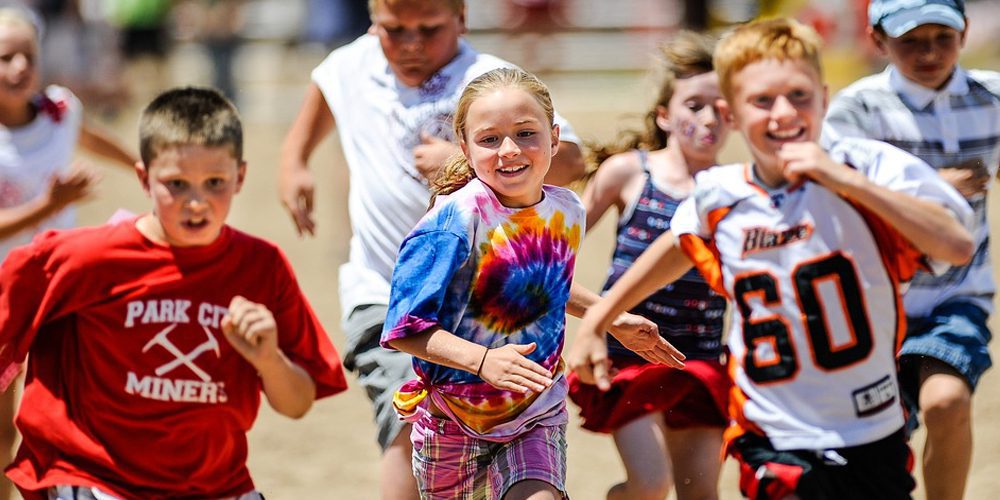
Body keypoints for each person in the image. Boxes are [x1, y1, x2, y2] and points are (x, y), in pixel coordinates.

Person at [569, 18, 975, 499]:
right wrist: (599, 321)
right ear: (733, 113)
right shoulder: (721, 193)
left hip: (871, 425)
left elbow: (956, 245)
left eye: (799, 96)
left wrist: (846, 181)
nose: (783, 113)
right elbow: (679, 245)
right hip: (771, 432)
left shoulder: (871, 166)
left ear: (823, 98)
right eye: (762, 101)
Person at [277, 1, 586, 497]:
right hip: (383, 292)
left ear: (461, 19)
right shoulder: (350, 65)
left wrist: (460, 161)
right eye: (394, 30)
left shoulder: (490, 81)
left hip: (485, 301)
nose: (411, 44)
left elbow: (569, 159)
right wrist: (294, 161)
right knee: (409, 414)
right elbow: (319, 100)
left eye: (429, 29)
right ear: (373, 22)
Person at [0, 86, 349, 498]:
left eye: (214, 182)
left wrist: (269, 359)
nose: (196, 202)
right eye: (177, 184)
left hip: (217, 486)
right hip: (100, 483)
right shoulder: (83, 258)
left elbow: (298, 404)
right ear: (144, 179)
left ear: (240, 177)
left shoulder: (261, 266)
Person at [380, 67, 683, 500]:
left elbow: (541, 281)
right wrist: (483, 360)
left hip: (536, 411)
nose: (509, 150)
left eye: (526, 133)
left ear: (554, 139)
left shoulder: (566, 210)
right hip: (453, 420)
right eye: (489, 139)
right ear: (464, 147)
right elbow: (403, 329)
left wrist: (610, 317)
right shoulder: (452, 223)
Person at [821, 2, 998, 498]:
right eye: (911, 41)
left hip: (956, 292)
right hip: (870, 299)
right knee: (880, 435)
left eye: (943, 38)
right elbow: (831, 194)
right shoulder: (856, 110)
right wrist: (934, 187)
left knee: (947, 402)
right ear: (878, 41)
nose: (929, 53)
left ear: (965, 33)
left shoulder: (991, 97)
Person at [567, 31, 731, 500]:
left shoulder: (733, 187)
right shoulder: (629, 171)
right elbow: (554, 255)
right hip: (630, 356)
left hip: (700, 358)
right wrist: (595, 321)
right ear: (664, 115)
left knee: (701, 494)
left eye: (721, 108)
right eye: (694, 105)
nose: (709, 118)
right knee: (650, 484)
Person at [0, 7, 139, 500]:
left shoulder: (61, 109)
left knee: (58, 416)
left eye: (28, 56)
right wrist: (49, 204)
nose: (20, 67)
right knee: (2, 430)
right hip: (3, 298)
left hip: (58, 289)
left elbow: (85, 137)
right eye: (5, 57)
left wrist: (140, 164)